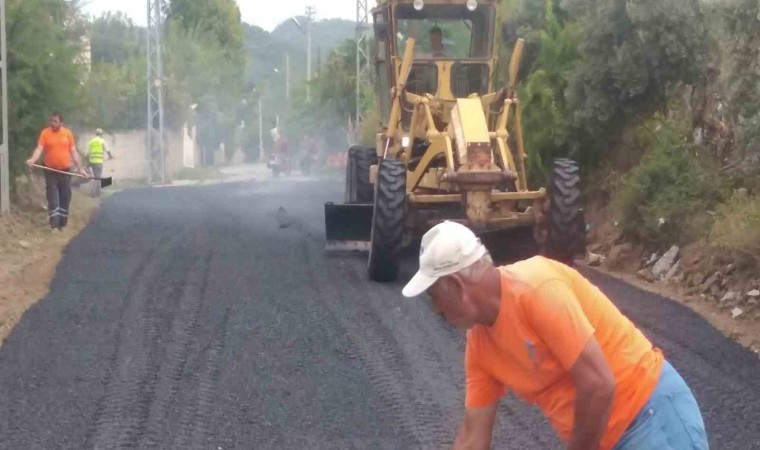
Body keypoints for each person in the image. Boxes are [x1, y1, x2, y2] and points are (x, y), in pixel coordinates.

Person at [402, 221, 708, 450]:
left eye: (433, 296)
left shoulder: (536, 289)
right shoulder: (480, 345)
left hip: (650, 416)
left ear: (456, 285)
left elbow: (598, 384)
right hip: (603, 437)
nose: (436, 310)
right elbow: (472, 438)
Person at [26, 112, 88, 232]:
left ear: (61, 123)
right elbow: (39, 149)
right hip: (50, 170)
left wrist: (80, 169)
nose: (52, 123)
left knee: (65, 197)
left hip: (65, 171)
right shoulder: (45, 133)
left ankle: (62, 224)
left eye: (55, 121)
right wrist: (32, 159)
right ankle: (54, 225)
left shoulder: (67, 134)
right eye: (51, 121)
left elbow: (74, 152)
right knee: (52, 197)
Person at [86, 128, 113, 197]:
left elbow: (88, 154)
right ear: (101, 134)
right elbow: (108, 150)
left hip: (91, 161)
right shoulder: (102, 141)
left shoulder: (91, 141)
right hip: (98, 162)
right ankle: (93, 192)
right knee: (97, 178)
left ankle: (98, 192)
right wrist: (110, 156)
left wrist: (87, 164)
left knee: (96, 176)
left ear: (96, 134)